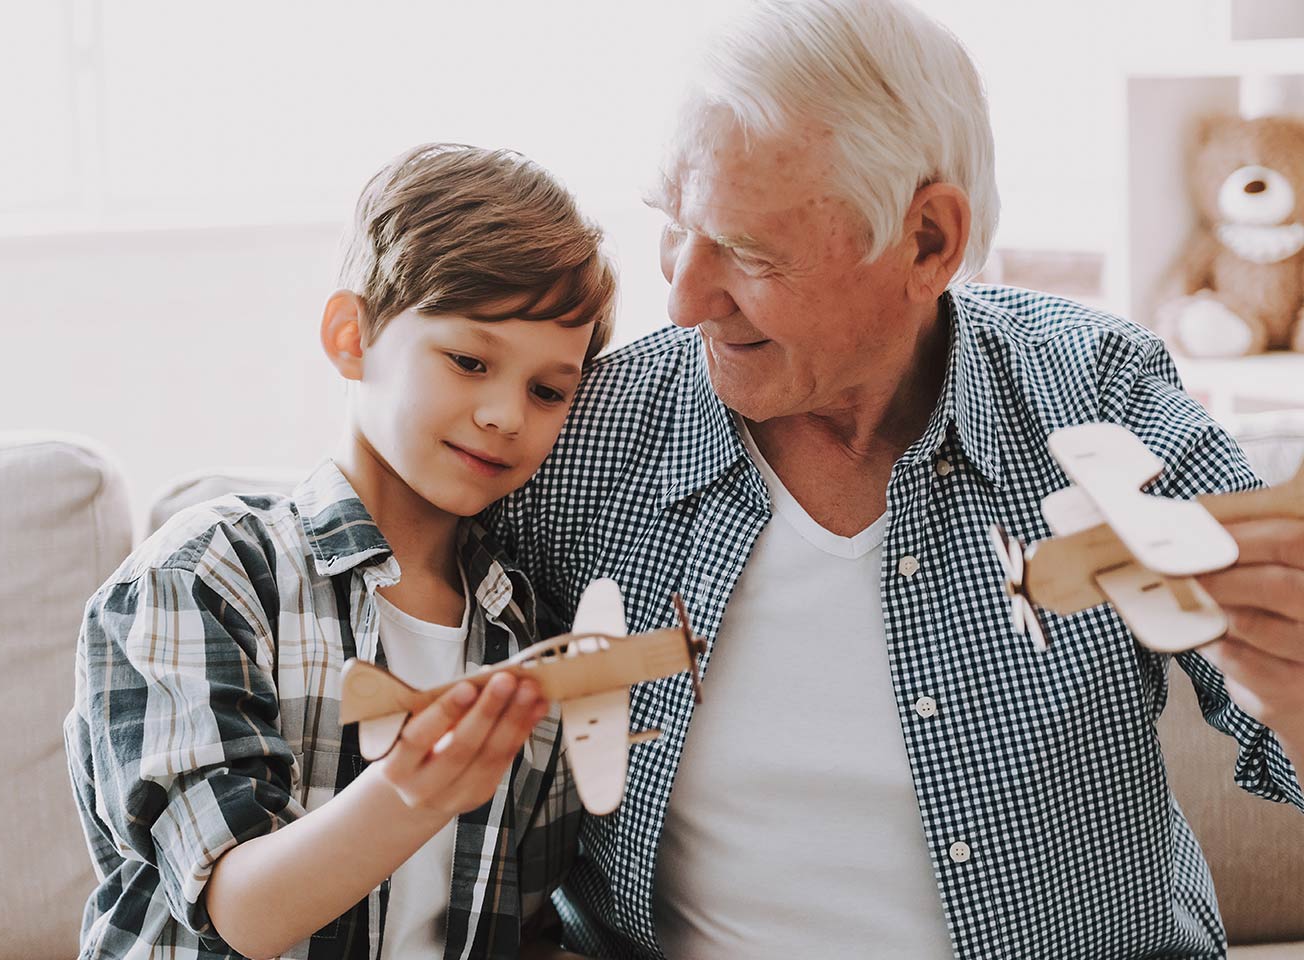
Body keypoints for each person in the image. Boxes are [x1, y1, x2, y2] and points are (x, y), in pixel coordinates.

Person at [492, 2, 1304, 957]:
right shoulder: (585, 438)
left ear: (929, 242)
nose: (682, 296)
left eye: (749, 252)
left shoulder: (1097, 392)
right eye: (673, 225)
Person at [64, 142, 617, 960]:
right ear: (351, 336)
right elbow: (243, 910)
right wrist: (415, 791)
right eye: (470, 361)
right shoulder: (207, 574)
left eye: (548, 390)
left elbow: (521, 927)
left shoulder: (530, 631)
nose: (507, 414)